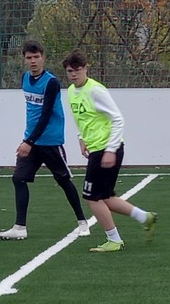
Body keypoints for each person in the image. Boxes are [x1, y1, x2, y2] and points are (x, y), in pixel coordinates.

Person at [62, 52, 156, 253]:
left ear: (86, 68)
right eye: (70, 71)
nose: (74, 74)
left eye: (78, 70)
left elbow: (118, 119)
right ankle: (145, 217)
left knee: (91, 197)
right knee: (104, 196)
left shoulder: (96, 91)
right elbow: (81, 118)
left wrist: (111, 150)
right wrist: (81, 138)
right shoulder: (70, 91)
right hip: (97, 149)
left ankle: (114, 240)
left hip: (105, 149)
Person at [0, 41, 87, 241]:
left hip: (50, 141)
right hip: (32, 140)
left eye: (36, 57)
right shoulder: (25, 79)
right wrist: (29, 140)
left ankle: (82, 222)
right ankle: (20, 227)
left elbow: (45, 116)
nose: (33, 61)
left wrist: (28, 142)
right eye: (29, 57)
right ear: (24, 59)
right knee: (18, 178)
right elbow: (32, 111)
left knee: (63, 180)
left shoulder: (51, 82)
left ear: (43, 58)